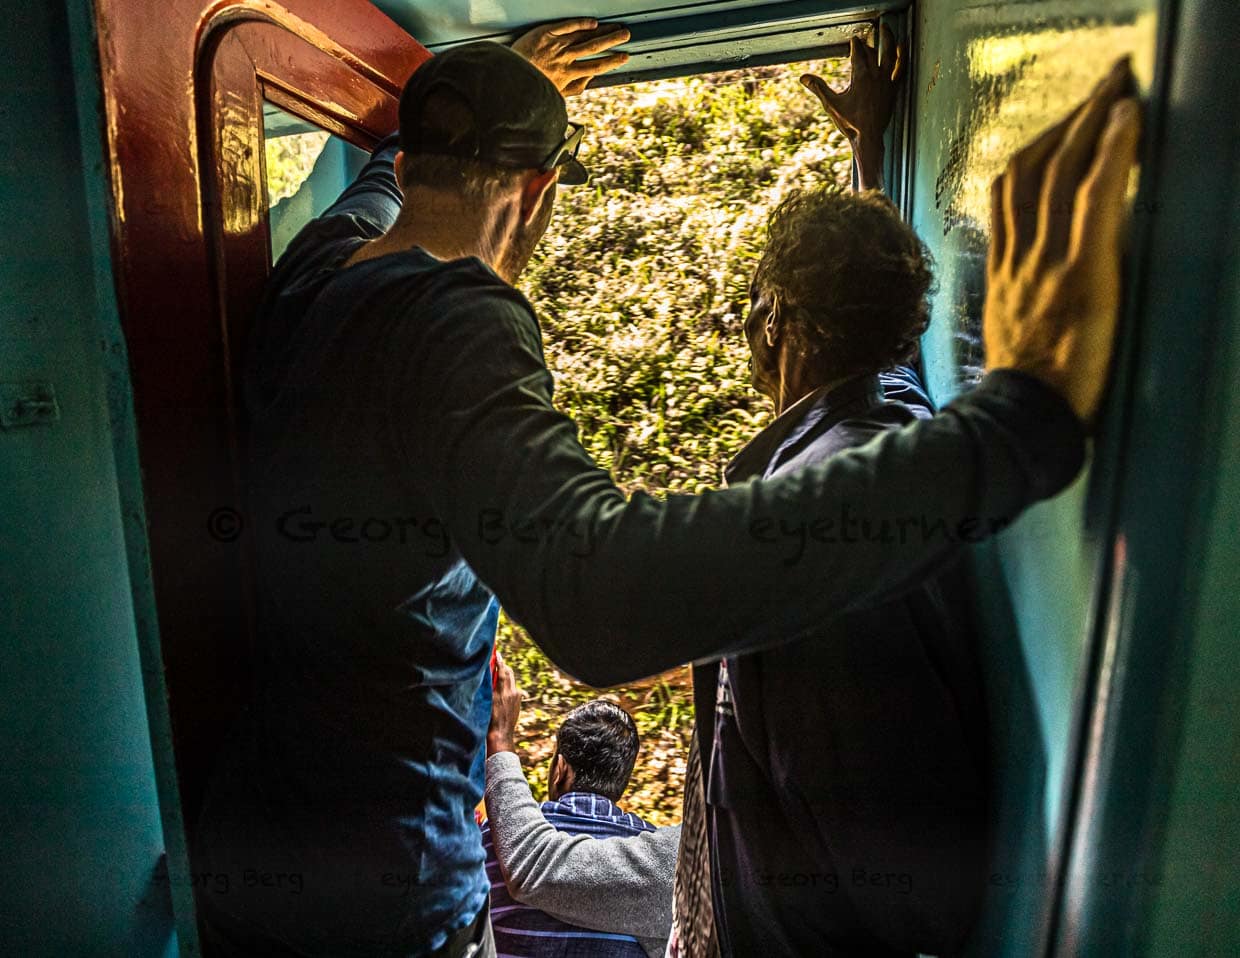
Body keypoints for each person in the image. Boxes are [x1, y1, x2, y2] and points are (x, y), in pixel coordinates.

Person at [191, 8, 1141, 954]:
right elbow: (603, 598)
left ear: (410, 167)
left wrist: (494, 84)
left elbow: (381, 180)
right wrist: (1018, 424)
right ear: (539, 191)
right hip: (390, 891)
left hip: (254, 839)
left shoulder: (313, 276)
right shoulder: (458, 316)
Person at [481, 659, 680, 957]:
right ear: (622, 780)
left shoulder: (492, 838)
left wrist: (501, 743)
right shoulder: (668, 866)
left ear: (560, 769)